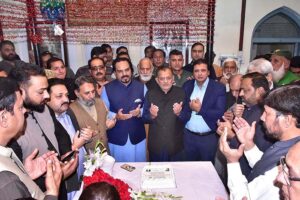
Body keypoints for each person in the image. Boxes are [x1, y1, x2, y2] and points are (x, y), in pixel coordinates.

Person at [9, 64, 79, 200]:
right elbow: (17, 177)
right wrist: (58, 175)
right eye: (41, 92)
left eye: (46, 90)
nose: (47, 96)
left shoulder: (44, 108)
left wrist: (67, 158)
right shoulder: (11, 127)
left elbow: (60, 134)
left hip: (59, 186)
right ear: (20, 92)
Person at [219, 84, 300, 200]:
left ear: (287, 120)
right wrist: (248, 145)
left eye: (267, 113)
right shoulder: (290, 145)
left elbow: (244, 197)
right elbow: (265, 168)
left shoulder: (291, 164)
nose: (262, 117)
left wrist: (232, 162)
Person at [0, 77, 63, 200]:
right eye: (19, 107)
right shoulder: (6, 181)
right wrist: (52, 193)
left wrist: (25, 176)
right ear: (3, 118)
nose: (24, 111)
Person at [46, 78, 94, 181]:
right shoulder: (46, 125)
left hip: (82, 172)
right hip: (68, 181)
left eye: (66, 95)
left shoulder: (69, 113)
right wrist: (75, 146)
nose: (66, 100)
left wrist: (86, 136)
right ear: (46, 98)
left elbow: (77, 138)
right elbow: (52, 158)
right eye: (59, 96)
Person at [101, 57, 147, 162]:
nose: (124, 73)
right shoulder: (107, 89)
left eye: (127, 70)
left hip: (137, 137)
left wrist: (140, 112)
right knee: (118, 172)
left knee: (138, 170)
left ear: (131, 70)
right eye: (120, 71)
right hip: (116, 138)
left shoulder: (142, 87)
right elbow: (103, 112)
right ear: (115, 73)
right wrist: (116, 116)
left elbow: (148, 109)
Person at [182, 59, 226, 162]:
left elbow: (219, 113)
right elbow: (183, 107)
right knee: (188, 170)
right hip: (188, 136)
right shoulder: (187, 85)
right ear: (193, 73)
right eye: (196, 71)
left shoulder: (218, 88)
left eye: (203, 70)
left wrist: (200, 109)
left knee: (207, 171)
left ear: (208, 72)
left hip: (208, 138)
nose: (200, 73)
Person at [143, 67, 191, 161]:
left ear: (172, 79)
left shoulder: (181, 92)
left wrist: (179, 113)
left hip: (175, 145)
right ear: (157, 80)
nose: (165, 81)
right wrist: (151, 115)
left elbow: (187, 116)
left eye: (168, 78)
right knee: (156, 174)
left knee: (176, 174)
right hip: (156, 145)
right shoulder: (150, 93)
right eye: (162, 78)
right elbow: (144, 118)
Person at [70, 75, 116, 152]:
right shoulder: (71, 110)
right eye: (87, 93)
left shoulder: (100, 102)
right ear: (77, 93)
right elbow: (71, 140)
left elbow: (106, 122)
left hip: (105, 152)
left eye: (93, 91)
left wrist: (110, 124)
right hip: (87, 157)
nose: (92, 96)